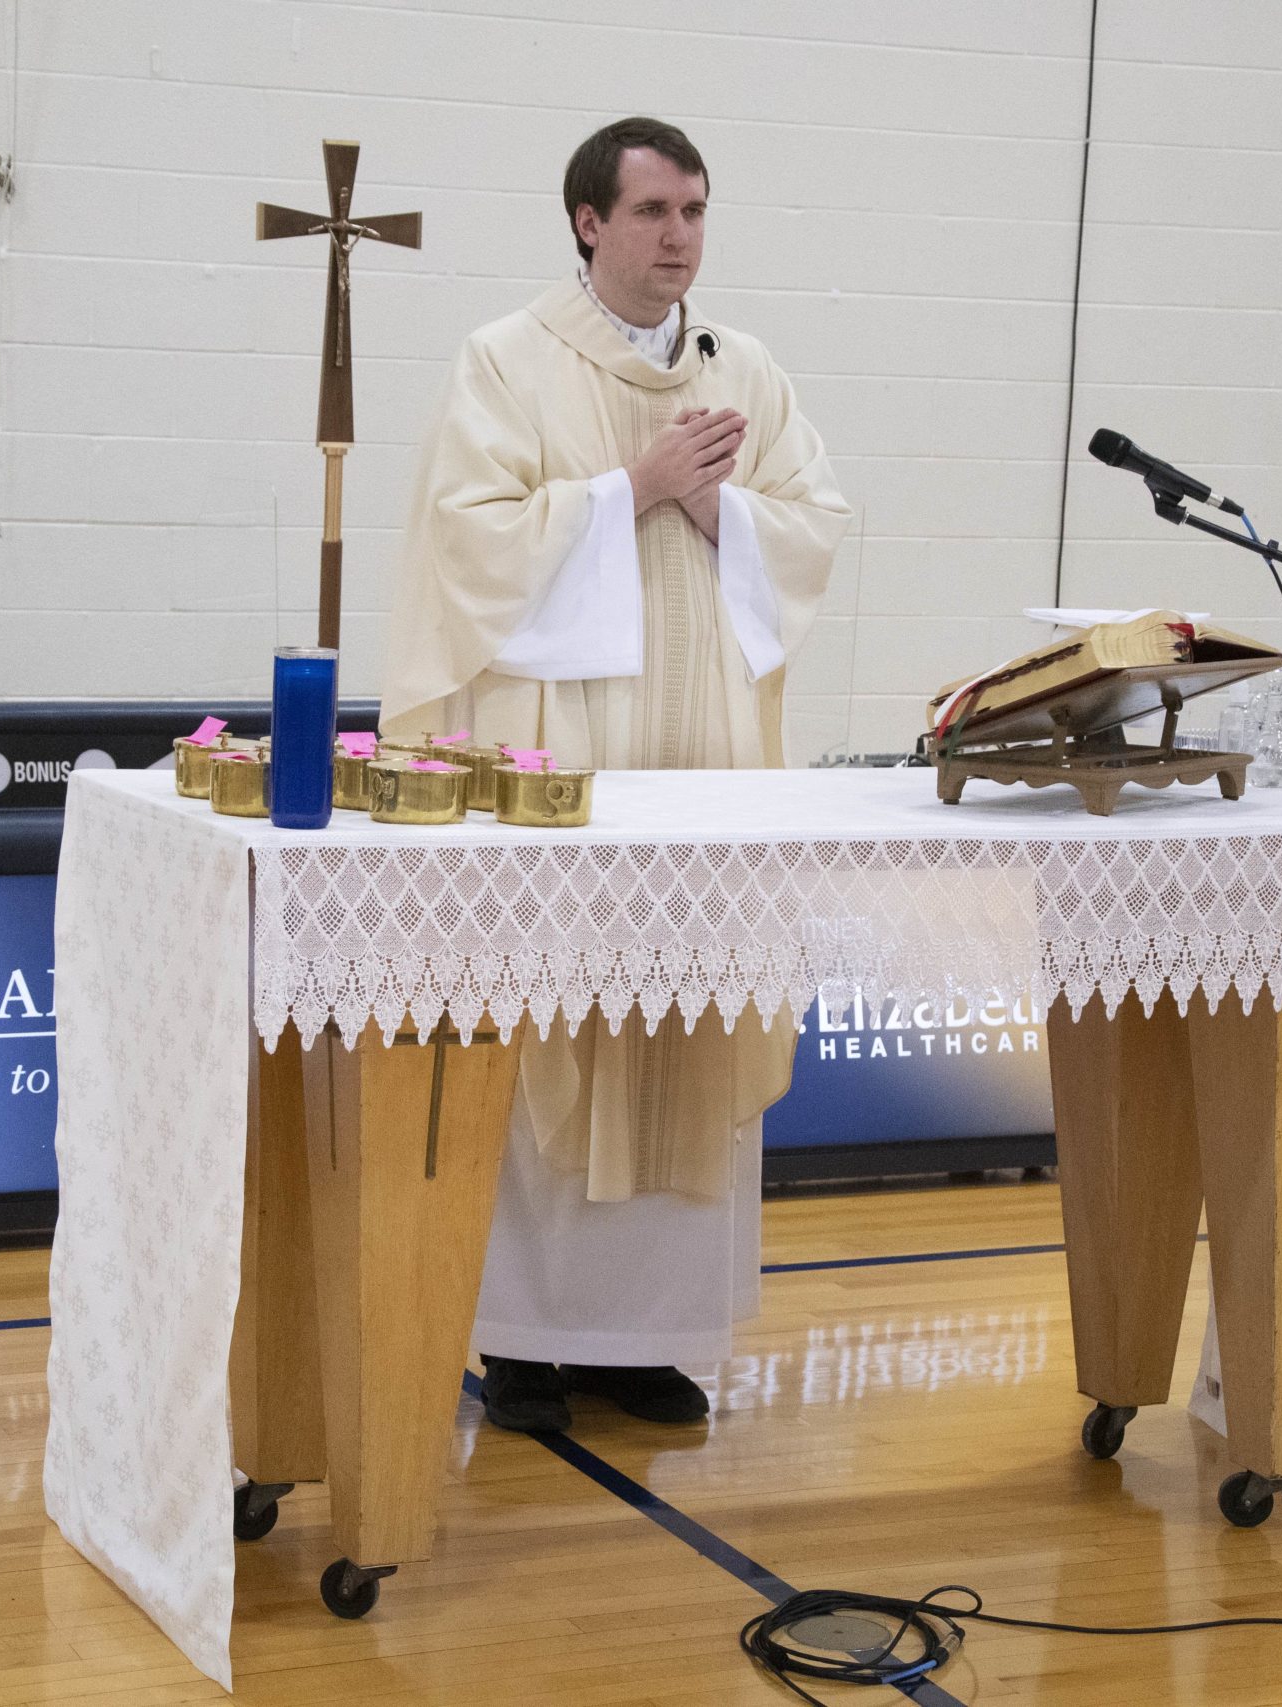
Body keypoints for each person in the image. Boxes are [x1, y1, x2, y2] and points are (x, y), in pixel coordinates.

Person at [380, 116, 850, 1433]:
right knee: (554, 1034)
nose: (679, 238)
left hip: (703, 769)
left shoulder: (743, 369)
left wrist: (721, 510)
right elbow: (464, 548)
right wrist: (628, 490)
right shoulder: (507, 363)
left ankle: (645, 1338)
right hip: (562, 774)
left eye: (695, 211)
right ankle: (523, 1342)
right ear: (589, 221)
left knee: (681, 1032)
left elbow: (812, 528)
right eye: (652, 213)